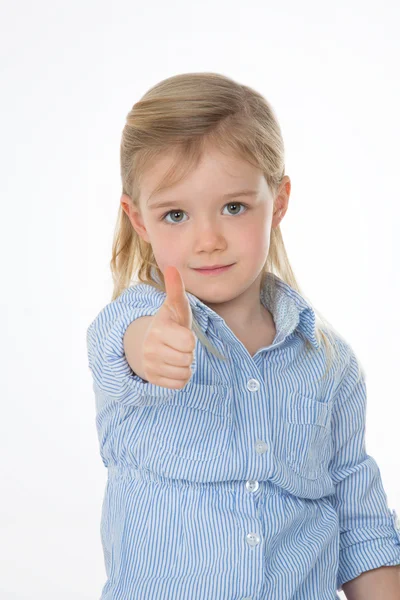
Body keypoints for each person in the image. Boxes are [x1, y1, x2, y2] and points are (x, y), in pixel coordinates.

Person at [86, 72, 400, 600]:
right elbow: (126, 343)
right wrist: (153, 347)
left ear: (277, 202)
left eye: (234, 207)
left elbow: (359, 521)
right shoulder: (140, 322)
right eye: (176, 215)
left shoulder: (328, 363)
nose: (208, 240)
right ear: (138, 220)